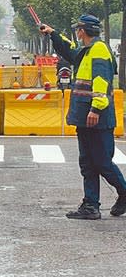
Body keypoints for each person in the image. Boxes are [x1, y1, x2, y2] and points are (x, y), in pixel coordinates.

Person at [40, 14, 126, 220]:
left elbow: (101, 81)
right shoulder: (87, 51)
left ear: (82, 31)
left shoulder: (98, 50)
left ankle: (123, 193)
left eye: (78, 30)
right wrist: (53, 34)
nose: (77, 34)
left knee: (102, 162)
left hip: (97, 117)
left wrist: (95, 109)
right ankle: (90, 205)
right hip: (85, 116)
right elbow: (70, 51)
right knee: (87, 162)